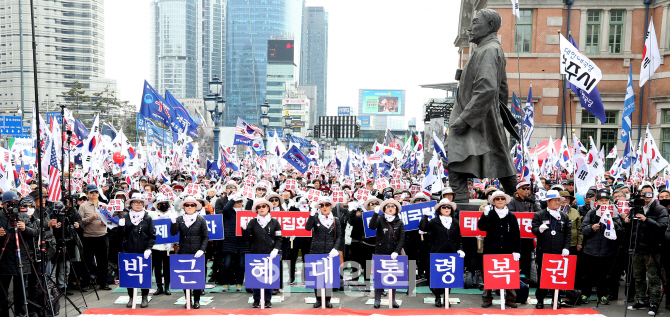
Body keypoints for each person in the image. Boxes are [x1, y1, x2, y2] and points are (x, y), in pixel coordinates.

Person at [446, 8, 518, 203]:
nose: (470, 28)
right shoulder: (486, 49)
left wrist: (465, 119)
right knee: (499, 156)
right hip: (483, 113)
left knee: (455, 151)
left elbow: (487, 88)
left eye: (475, 23)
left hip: (477, 115)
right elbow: (502, 87)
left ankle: (461, 198)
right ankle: (520, 198)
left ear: (490, 26)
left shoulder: (489, 50)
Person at [626, 184, 669, 316]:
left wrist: (646, 219)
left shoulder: (660, 209)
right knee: (638, 276)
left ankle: (654, 303)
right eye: (644, 194)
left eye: (649, 194)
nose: (646, 197)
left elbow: (662, 227)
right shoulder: (635, 208)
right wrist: (626, 221)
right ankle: (640, 300)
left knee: (653, 278)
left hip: (652, 249)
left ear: (653, 195)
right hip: (637, 247)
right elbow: (628, 229)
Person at [580, 189, 623, 306]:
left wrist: (610, 222)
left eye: (606, 201)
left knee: (604, 276)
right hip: (590, 250)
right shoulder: (592, 213)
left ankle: (603, 295)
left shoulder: (614, 213)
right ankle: (585, 294)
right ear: (596, 202)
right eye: (601, 201)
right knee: (587, 275)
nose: (603, 203)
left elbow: (620, 228)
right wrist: (591, 228)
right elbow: (583, 229)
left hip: (607, 251)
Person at [478, 191, 520, 308]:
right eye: (497, 199)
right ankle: (487, 298)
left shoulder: (511, 216)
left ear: (505, 201)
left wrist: (516, 250)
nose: (500, 200)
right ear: (493, 202)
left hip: (508, 250)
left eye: (502, 198)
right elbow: (481, 227)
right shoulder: (489, 214)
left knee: (509, 274)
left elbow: (516, 234)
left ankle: (511, 299)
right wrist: (484, 215)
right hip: (491, 249)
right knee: (488, 274)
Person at [419, 198, 464, 307]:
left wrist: (460, 249)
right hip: (437, 253)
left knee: (449, 276)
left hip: (451, 253)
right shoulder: (434, 221)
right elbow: (423, 228)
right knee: (438, 277)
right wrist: (425, 217)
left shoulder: (455, 221)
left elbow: (458, 238)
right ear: (439, 209)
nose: (446, 209)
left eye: (449, 207)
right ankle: (438, 297)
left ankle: (446, 297)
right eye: (444, 207)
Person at [531, 190, 571, 308]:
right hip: (544, 251)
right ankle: (540, 300)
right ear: (548, 202)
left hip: (559, 252)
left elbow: (568, 234)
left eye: (559, 200)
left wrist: (566, 248)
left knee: (557, 277)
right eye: (555, 200)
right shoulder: (539, 215)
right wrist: (539, 229)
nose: (558, 203)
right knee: (542, 277)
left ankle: (556, 300)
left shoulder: (563, 216)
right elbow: (533, 230)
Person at [0, 191, 38, 317]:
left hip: (22, 258)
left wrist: (24, 228)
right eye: (9, 203)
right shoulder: (0, 215)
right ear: (3, 204)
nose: (12, 205)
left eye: (15, 202)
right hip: (4, 258)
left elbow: (34, 232)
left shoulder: (23, 214)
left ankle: (20, 314)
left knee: (20, 292)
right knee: (3, 292)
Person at [241, 198, 282, 308]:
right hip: (256, 253)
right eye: (259, 207)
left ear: (268, 208)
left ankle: (267, 300)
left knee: (268, 278)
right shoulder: (253, 222)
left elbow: (279, 238)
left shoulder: (275, 222)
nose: (261, 209)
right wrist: (244, 229)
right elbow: (246, 237)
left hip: (270, 253)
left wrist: (276, 249)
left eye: (264, 206)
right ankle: (256, 299)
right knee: (256, 277)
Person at [170, 196, 209, 309]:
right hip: (183, 251)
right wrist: (173, 222)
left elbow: (205, 237)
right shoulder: (179, 219)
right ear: (184, 207)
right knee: (185, 276)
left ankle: (196, 300)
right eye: (187, 205)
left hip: (197, 253)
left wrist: (202, 249)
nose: (190, 207)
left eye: (192, 205)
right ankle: (188, 298)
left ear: (196, 207)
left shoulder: (201, 219)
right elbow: (173, 233)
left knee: (196, 277)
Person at [119, 193, 156, 308]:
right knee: (130, 274)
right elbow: (120, 237)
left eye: (141, 203)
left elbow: (152, 235)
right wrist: (120, 227)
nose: (139, 205)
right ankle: (131, 297)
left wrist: (149, 248)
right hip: (129, 250)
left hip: (143, 250)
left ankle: (144, 297)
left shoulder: (147, 217)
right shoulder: (125, 217)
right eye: (136, 202)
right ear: (131, 204)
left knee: (144, 274)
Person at [305, 197, 342, 308]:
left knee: (328, 278)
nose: (324, 207)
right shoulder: (315, 218)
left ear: (331, 206)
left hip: (330, 252)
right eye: (322, 205)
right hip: (316, 251)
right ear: (319, 207)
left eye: (327, 205)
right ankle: (318, 299)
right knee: (318, 277)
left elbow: (339, 236)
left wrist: (335, 248)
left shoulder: (335, 219)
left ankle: (327, 300)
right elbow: (307, 228)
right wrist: (311, 214)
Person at [368, 199, 405, 309]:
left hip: (393, 253)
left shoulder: (399, 222)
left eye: (393, 206)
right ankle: (377, 299)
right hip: (380, 252)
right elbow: (372, 227)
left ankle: (392, 299)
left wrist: (396, 251)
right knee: (379, 277)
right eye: (388, 206)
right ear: (384, 209)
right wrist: (375, 214)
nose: (390, 208)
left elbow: (402, 239)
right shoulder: (380, 219)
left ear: (396, 210)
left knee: (393, 277)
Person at [78, 184, 112, 290]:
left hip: (102, 236)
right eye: (92, 192)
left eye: (96, 192)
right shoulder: (83, 206)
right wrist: (91, 218)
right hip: (89, 237)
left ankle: (103, 282)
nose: (94, 194)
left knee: (103, 261)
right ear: (87, 194)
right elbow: (80, 222)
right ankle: (85, 283)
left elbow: (110, 220)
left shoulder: (103, 205)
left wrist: (105, 222)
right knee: (87, 261)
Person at [219, 192, 249, 292]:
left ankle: (239, 283)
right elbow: (225, 209)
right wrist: (232, 199)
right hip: (230, 240)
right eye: (237, 201)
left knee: (241, 264)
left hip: (243, 241)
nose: (240, 203)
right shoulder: (229, 212)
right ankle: (226, 283)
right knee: (227, 264)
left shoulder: (246, 212)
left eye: (241, 201)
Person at [348, 197, 379, 289]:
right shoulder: (363, 215)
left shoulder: (383, 215)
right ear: (368, 206)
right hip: (365, 243)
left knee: (379, 266)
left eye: (376, 203)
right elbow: (353, 221)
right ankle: (365, 284)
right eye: (372, 204)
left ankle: (380, 288)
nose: (374, 206)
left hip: (379, 243)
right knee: (365, 264)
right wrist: (353, 211)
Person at [148, 194, 175, 296]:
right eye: (161, 204)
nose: (164, 205)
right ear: (157, 206)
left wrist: (172, 241)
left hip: (169, 246)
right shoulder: (152, 215)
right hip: (156, 246)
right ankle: (159, 286)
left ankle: (167, 287)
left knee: (167, 267)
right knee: (157, 267)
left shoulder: (173, 214)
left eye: (165, 203)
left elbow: (176, 230)